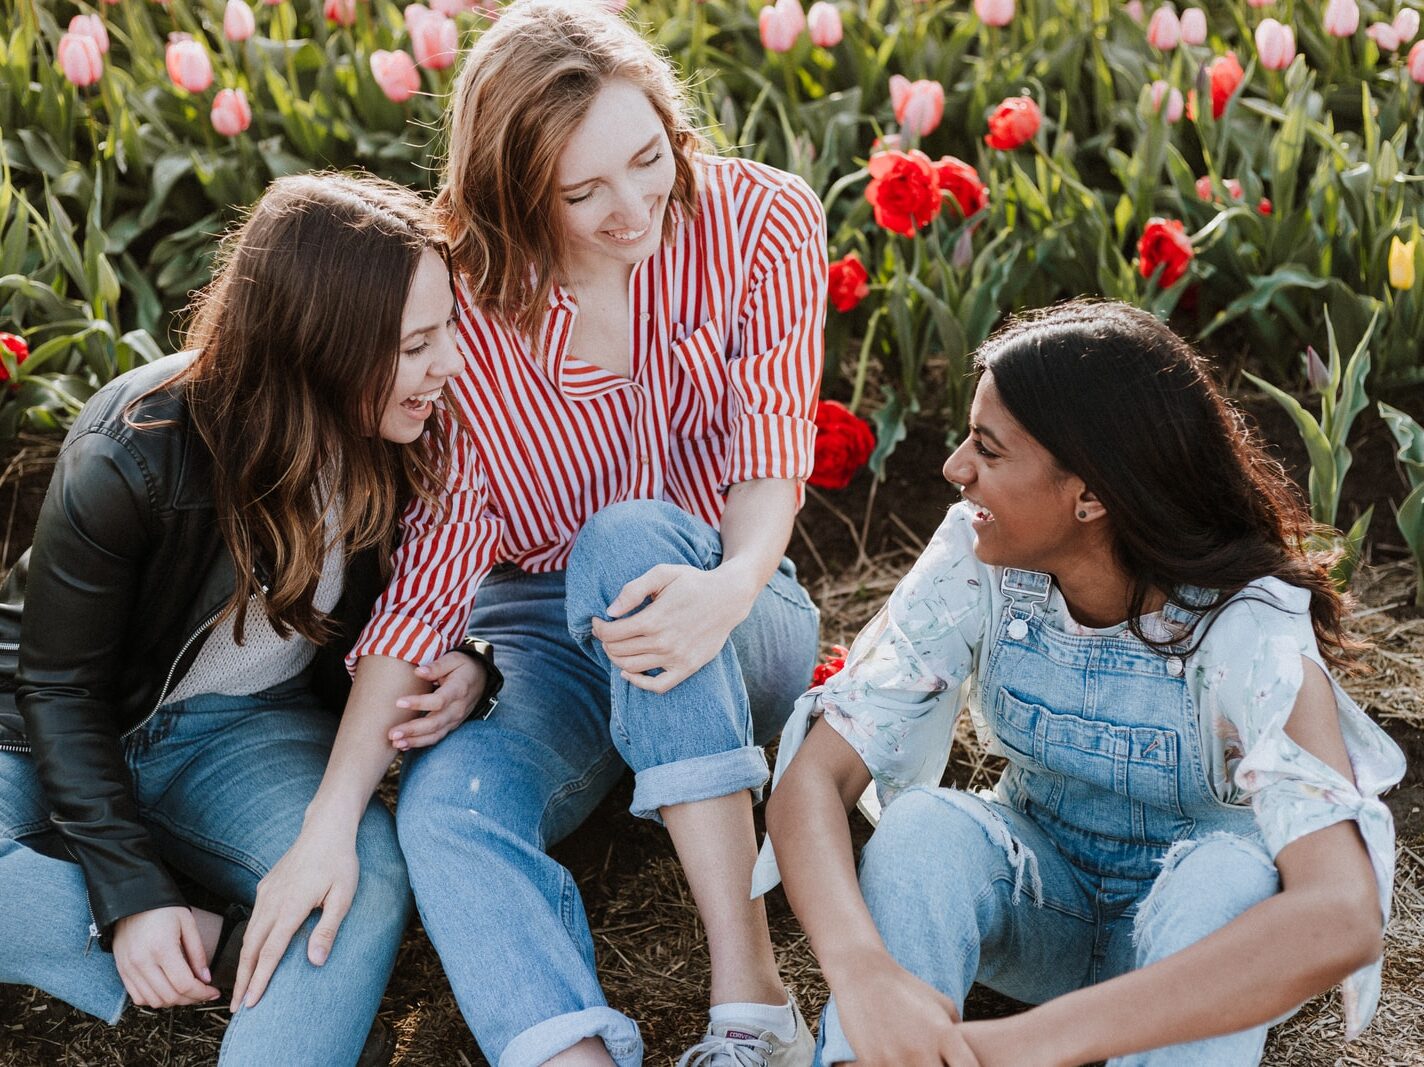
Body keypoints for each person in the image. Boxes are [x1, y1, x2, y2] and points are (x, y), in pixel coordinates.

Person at [757, 300, 1405, 1066]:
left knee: (1230, 873)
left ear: (1091, 495)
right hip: (1042, 902)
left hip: (1194, 956)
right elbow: (812, 780)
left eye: (989, 451)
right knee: (923, 828)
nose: (954, 467)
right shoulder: (978, 554)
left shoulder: (1249, 628)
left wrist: (1026, 1045)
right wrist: (862, 970)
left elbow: (1340, 912)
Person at [389, 1, 826, 1064]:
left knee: (628, 541)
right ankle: (567, 1052)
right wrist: (467, 655)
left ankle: (751, 998)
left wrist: (724, 586)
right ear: (509, 192)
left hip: (733, 598)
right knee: (447, 808)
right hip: (543, 631)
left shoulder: (761, 220)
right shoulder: (461, 288)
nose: (632, 207)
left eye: (645, 161)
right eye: (582, 192)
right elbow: (449, 524)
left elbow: (771, 454)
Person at [0, 172, 498, 1065]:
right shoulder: (131, 453)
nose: (449, 364)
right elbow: (61, 689)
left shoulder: (411, 433)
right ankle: (213, 942)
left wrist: (469, 659)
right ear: (322, 348)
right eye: (418, 344)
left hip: (243, 734)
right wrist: (130, 896)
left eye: (446, 330)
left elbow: (430, 591)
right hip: (52, 733)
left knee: (360, 878)